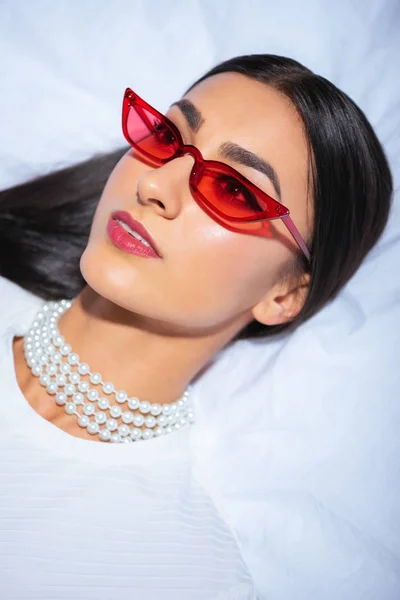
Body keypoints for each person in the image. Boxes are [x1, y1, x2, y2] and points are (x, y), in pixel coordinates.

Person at [0, 54, 393, 599]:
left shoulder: (179, 573)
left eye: (235, 191)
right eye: (166, 137)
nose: (157, 184)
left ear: (286, 294)